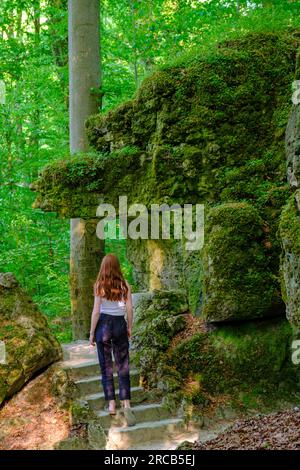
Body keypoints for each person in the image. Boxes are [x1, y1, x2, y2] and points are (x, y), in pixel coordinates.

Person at [89, 253, 136, 426]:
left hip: (103, 326)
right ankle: (126, 403)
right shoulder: (125, 285)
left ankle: (111, 403)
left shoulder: (99, 285)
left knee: (106, 365)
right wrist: (129, 327)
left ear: (104, 267)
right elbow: (130, 309)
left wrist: (92, 332)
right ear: (117, 267)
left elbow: (95, 311)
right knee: (123, 364)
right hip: (119, 325)